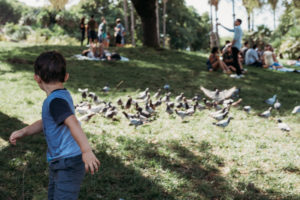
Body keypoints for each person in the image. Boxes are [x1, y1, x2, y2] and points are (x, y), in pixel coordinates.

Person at [9, 51, 100, 199]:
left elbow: (73, 123)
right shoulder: (60, 97)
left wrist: (86, 150)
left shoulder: (56, 101)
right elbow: (46, 122)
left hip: (68, 163)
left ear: (36, 78)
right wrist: (23, 132)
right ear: (66, 77)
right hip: (60, 161)